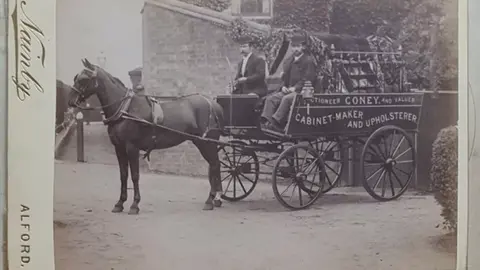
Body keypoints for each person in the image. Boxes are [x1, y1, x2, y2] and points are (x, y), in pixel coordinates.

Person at [261, 33, 317, 132]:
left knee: (286, 99)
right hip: (289, 89)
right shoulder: (289, 60)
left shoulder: (308, 61)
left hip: (302, 92)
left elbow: (307, 79)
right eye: (293, 46)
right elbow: (284, 78)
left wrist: (295, 88)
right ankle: (266, 122)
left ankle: (276, 123)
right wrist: (283, 87)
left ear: (303, 47)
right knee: (271, 99)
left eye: (298, 46)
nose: (295, 49)